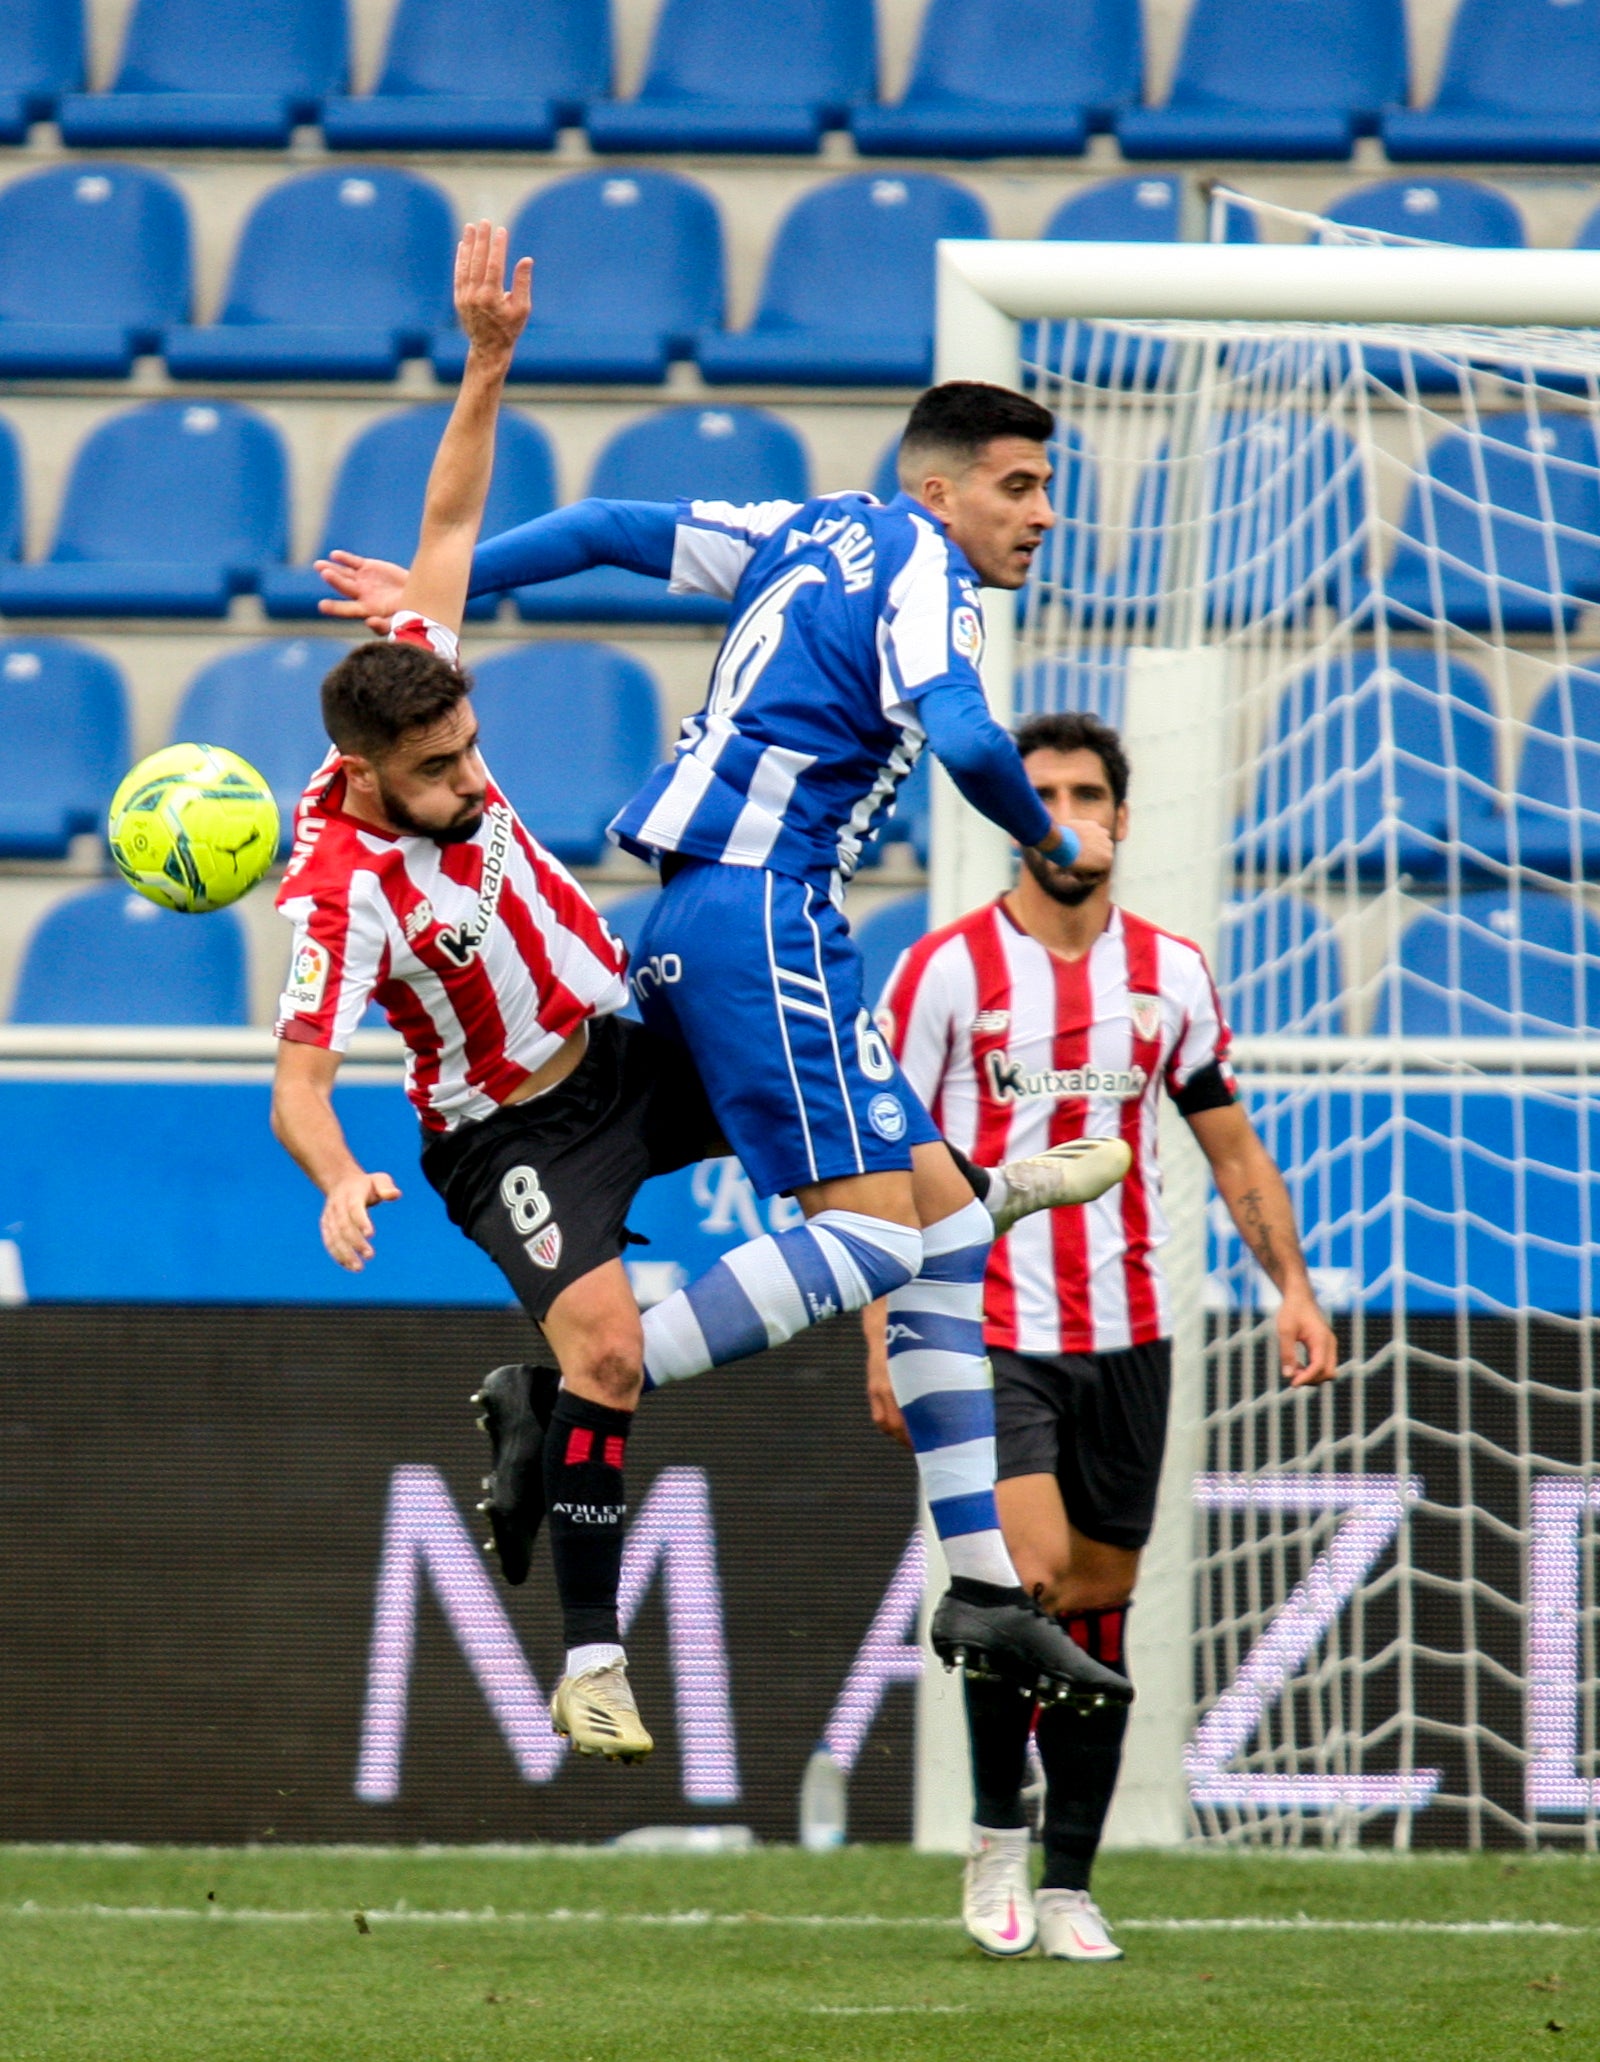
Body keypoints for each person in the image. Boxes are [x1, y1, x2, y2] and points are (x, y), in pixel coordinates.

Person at [281, 320, 1132, 1765]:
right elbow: (972, 736)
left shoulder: (813, 528)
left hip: (646, 985)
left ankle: (985, 1583)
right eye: (1021, 486)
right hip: (742, 931)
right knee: (874, 1242)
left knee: (933, 1232)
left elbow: (608, 527)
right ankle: (559, 1404)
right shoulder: (921, 570)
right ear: (943, 494)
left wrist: (448, 552)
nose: (1041, 514)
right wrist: (1051, 835)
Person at [868, 708, 1342, 1962]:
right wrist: (881, 1327)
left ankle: (1069, 1879)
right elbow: (874, 1163)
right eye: (1043, 794)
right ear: (1010, 816)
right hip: (986, 1328)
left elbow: (1225, 1138)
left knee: (1095, 1609)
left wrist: (1288, 1282)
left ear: (1121, 819)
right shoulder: (943, 973)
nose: (1066, 814)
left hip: (1128, 1326)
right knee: (1012, 1582)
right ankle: (990, 1847)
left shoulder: (1172, 972)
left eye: (1088, 793)